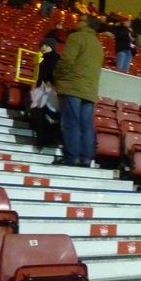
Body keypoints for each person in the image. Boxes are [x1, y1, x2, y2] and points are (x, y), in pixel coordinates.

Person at [52, 14, 104, 167]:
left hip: (73, 87)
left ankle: (71, 157)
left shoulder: (77, 37)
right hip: (89, 91)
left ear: (87, 25)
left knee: (71, 123)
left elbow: (67, 60)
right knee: (86, 125)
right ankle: (86, 158)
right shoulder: (98, 45)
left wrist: (56, 75)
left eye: (81, 20)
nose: (77, 22)